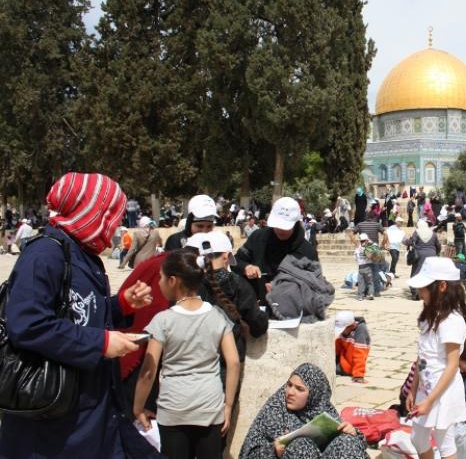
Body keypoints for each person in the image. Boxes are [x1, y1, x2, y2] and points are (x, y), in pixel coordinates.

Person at [1, 172, 158, 458]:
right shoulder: (45, 254)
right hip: (55, 426)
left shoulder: (83, 256)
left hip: (93, 414)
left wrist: (120, 304)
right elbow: (27, 323)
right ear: (93, 212)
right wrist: (100, 343)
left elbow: (79, 313)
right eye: (111, 215)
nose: (116, 226)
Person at [133, 249, 240, 459]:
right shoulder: (217, 315)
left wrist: (138, 408)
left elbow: (148, 371)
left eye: (161, 278)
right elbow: (234, 362)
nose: (160, 282)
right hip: (210, 407)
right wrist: (227, 406)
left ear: (173, 281)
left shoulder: (163, 320)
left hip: (173, 409)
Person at [406, 258, 466, 459]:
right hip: (425, 389)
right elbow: (422, 356)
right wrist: (413, 388)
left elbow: (453, 365)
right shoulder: (429, 316)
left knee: (445, 443)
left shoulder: (452, 321)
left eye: (424, 288)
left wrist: (429, 400)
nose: (420, 293)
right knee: (417, 438)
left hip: (442, 392)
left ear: (442, 286)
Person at [240, 363, 369, 458]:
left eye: (299, 389)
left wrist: (353, 433)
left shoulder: (323, 410)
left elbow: (356, 449)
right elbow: (248, 454)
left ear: (314, 395)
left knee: (347, 441)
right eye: (289, 385)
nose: (290, 392)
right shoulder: (274, 411)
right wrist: (273, 450)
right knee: (300, 445)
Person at [186, 231, 268, 369]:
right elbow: (257, 325)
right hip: (226, 365)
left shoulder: (189, 284)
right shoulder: (238, 284)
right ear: (226, 256)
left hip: (194, 362)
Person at [234, 197, 319, 303]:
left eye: (285, 227)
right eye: (277, 225)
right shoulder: (258, 238)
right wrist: (246, 267)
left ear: (295, 223)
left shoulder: (307, 252)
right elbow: (236, 261)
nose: (280, 230)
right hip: (256, 308)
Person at [404, 220, 441, 300]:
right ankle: (432, 293)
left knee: (416, 273)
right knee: (431, 274)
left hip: (420, 255)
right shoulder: (433, 234)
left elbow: (412, 242)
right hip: (432, 255)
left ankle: (415, 293)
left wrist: (405, 241)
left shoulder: (417, 232)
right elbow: (438, 245)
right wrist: (436, 253)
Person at [335, 311, 371, 383]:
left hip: (348, 367)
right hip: (342, 360)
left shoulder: (361, 330)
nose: (341, 332)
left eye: (343, 329)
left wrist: (358, 375)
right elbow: (337, 347)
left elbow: (360, 354)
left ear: (352, 326)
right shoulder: (345, 331)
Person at [353, 233, 375, 301]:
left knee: (361, 283)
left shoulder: (357, 249)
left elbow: (355, 258)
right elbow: (372, 256)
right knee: (370, 282)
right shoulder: (369, 248)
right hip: (368, 267)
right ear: (366, 241)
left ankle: (360, 296)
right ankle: (371, 293)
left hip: (360, 268)